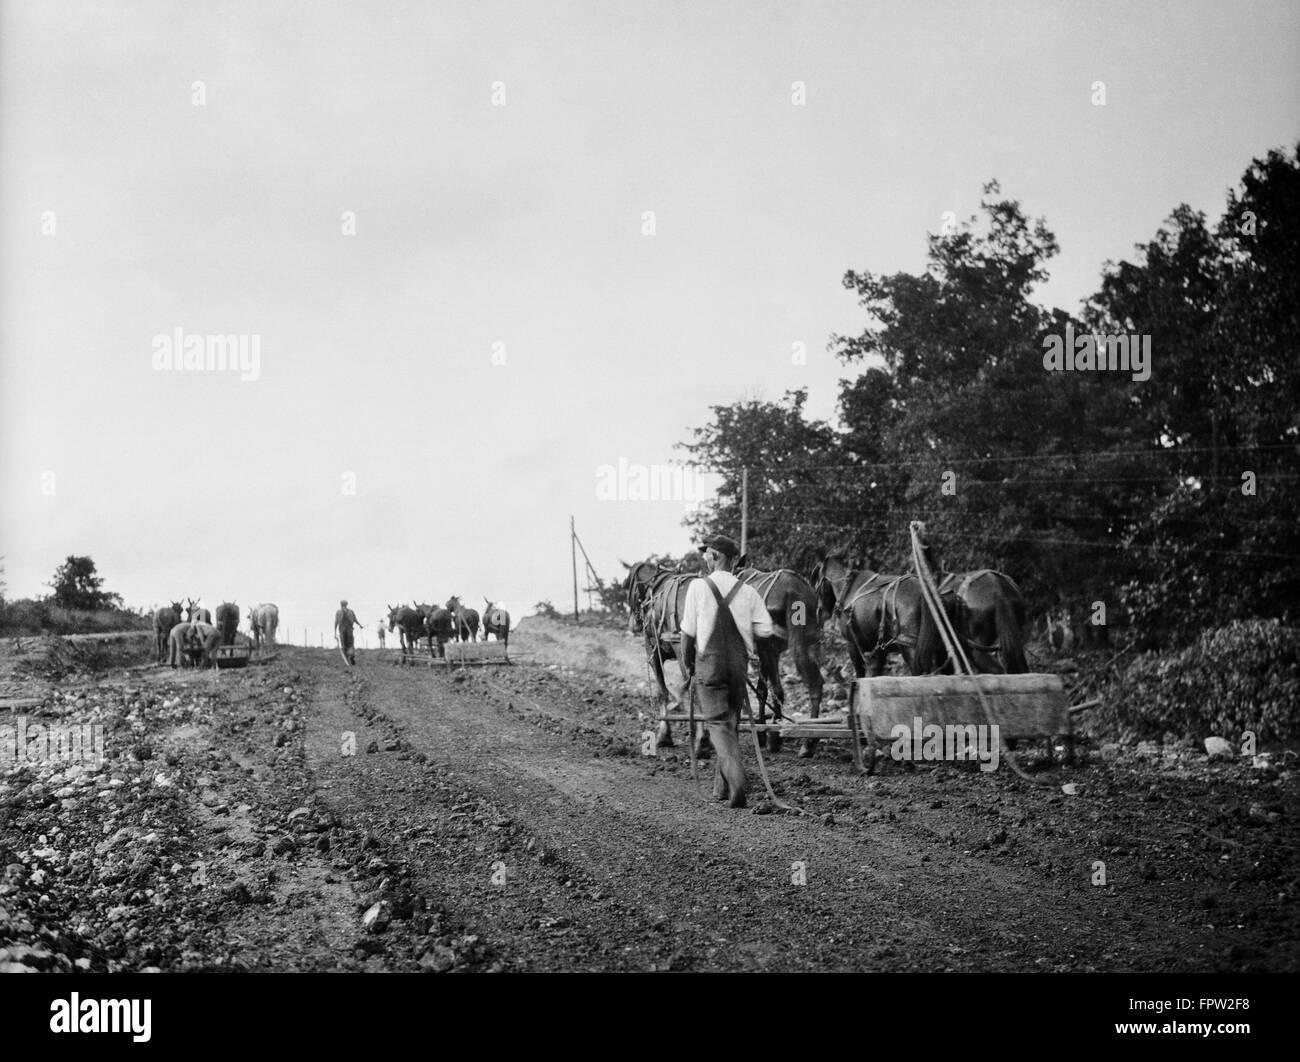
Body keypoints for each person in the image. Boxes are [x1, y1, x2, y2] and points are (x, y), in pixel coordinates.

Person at [679, 533, 774, 809]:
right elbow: (766, 631)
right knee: (730, 724)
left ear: (716, 556)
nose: (705, 559)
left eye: (706, 554)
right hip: (737, 669)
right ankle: (721, 788)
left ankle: (737, 782)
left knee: (719, 726)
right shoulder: (748, 592)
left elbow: (687, 635)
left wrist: (689, 668)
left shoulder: (698, 587)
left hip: (709, 667)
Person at [334, 599, 363, 666]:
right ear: (347, 604)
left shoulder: (338, 612)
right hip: (349, 630)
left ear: (341, 605)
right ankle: (351, 655)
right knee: (350, 644)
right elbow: (355, 620)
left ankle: (347, 658)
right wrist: (360, 625)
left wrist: (335, 632)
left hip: (342, 631)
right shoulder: (351, 611)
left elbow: (336, 622)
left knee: (344, 644)